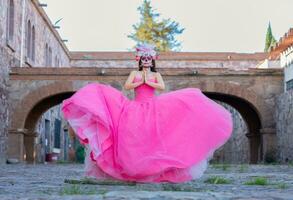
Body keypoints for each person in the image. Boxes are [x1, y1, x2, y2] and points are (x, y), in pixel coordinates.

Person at [61, 43, 233, 183]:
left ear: (152, 61)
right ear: (140, 60)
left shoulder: (155, 74)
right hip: (135, 107)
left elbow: (161, 87)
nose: (146, 61)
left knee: (155, 135)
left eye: (148, 59)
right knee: (133, 137)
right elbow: (127, 86)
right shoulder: (135, 73)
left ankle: (155, 168)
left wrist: (149, 79)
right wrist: (139, 81)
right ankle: (132, 167)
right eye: (143, 59)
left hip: (152, 106)